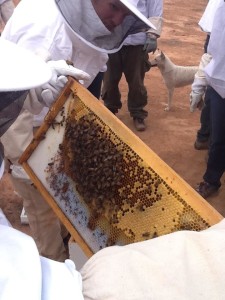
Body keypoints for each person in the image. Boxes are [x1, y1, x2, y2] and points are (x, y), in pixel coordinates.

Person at [1, 0, 156, 261]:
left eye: (125, 14)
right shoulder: (43, 29)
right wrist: (21, 158)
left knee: (64, 205)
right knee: (44, 217)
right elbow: (10, 96)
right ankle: (53, 266)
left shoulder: (90, 26)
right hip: (24, 133)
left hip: (53, 124)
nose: (119, 20)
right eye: (114, 7)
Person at [102, 0, 163, 131]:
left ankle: (138, 113)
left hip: (137, 40)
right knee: (109, 78)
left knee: (136, 81)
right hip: (112, 37)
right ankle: (110, 109)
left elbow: (155, 10)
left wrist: (152, 35)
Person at [191, 0, 225, 198]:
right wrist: (199, 82)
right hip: (220, 84)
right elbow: (210, 52)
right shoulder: (219, 6)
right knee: (219, 138)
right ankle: (211, 180)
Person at [190, 0, 222, 150]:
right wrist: (198, 85)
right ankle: (205, 137)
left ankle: (206, 137)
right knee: (214, 91)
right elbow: (210, 55)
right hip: (218, 36)